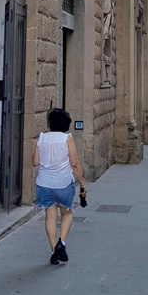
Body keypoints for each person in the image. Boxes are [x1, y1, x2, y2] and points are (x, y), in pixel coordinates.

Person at [32, 108, 87, 266]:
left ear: (50, 123)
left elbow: (35, 162)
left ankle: (53, 251)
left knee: (50, 216)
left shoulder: (41, 138)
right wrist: (83, 184)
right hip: (63, 183)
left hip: (44, 183)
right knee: (67, 213)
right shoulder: (67, 138)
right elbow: (75, 164)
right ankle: (61, 243)